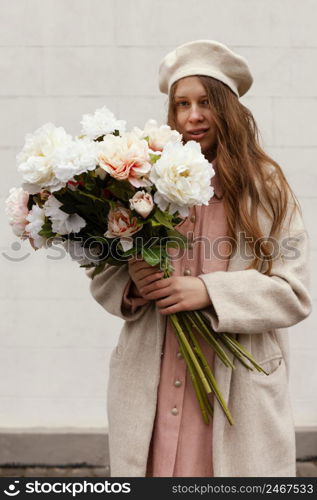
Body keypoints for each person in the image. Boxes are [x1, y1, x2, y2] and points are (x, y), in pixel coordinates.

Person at [85, 40, 312, 477]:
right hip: (150, 381)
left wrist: (207, 290)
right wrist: (134, 284)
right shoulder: (142, 180)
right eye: (182, 104)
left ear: (227, 109)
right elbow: (104, 276)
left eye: (206, 102)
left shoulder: (265, 187)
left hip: (235, 390)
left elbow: (293, 294)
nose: (192, 116)